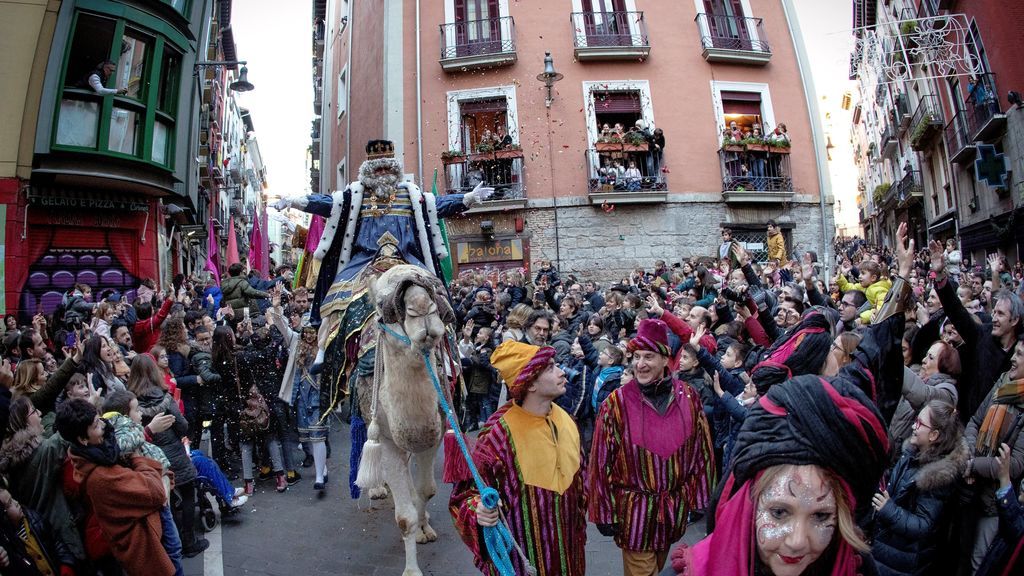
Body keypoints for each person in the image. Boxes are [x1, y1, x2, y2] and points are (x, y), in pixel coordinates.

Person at [449, 340, 588, 576]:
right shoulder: (497, 435)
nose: (562, 372)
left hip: (571, 556)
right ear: (530, 384)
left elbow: (580, 484)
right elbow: (465, 496)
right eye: (551, 368)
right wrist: (478, 509)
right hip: (523, 562)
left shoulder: (567, 420)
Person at [589, 318, 714, 576]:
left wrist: (700, 498)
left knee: (658, 567)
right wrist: (603, 510)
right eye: (636, 357)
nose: (640, 364)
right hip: (634, 515)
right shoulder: (616, 403)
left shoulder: (688, 397)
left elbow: (702, 452)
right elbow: (601, 460)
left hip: (671, 512)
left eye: (648, 357)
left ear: (665, 358)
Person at [55, 398, 176, 575]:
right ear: (82, 439)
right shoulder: (101, 476)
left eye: (99, 420)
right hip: (142, 548)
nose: (104, 427)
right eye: (96, 426)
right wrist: (137, 458)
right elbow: (155, 492)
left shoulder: (102, 454)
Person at [871, 400, 968, 576]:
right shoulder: (912, 453)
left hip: (902, 559)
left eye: (920, 423)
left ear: (934, 435)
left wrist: (888, 509)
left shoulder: (936, 477)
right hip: (888, 547)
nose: (914, 426)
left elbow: (923, 525)